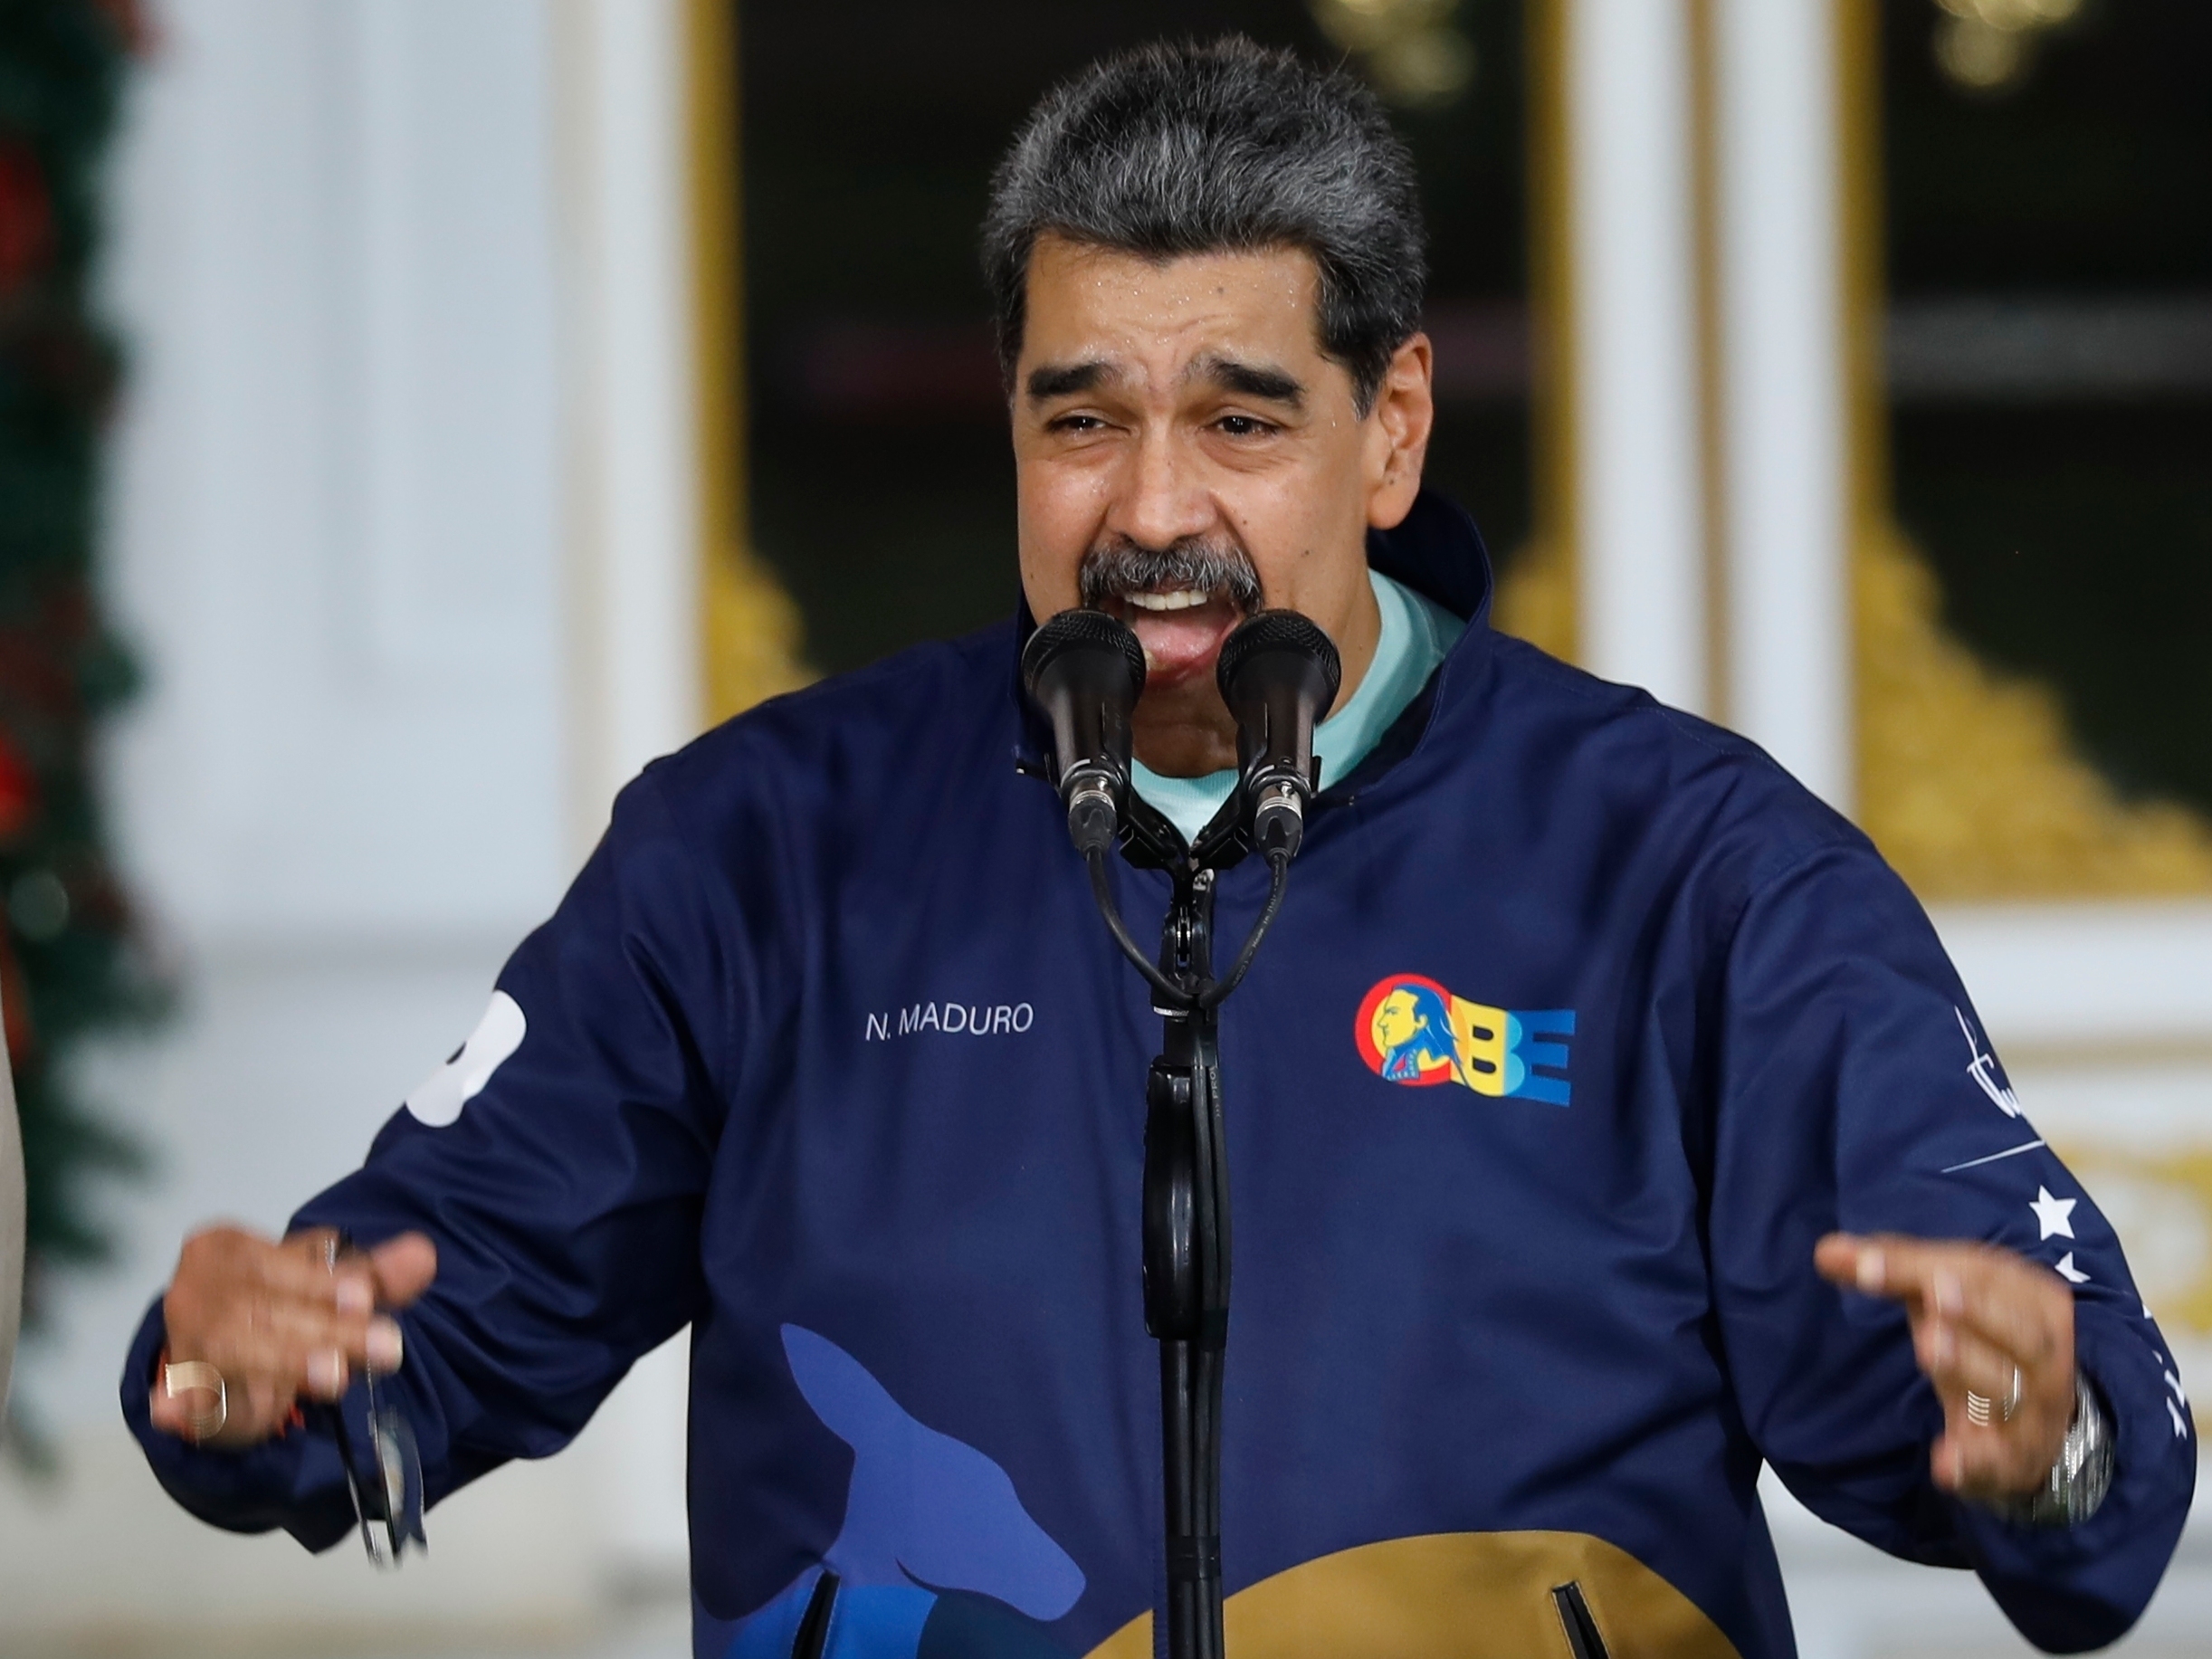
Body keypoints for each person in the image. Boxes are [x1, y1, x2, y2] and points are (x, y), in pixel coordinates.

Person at [124, 38, 2191, 1659]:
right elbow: (411, 1300)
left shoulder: (1693, 873)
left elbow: (2024, 1374)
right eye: (1081, 417)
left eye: (1241, 416)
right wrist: (247, 1378)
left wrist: (2044, 1438)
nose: (1150, 506)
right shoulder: (761, 853)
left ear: (1390, 428)